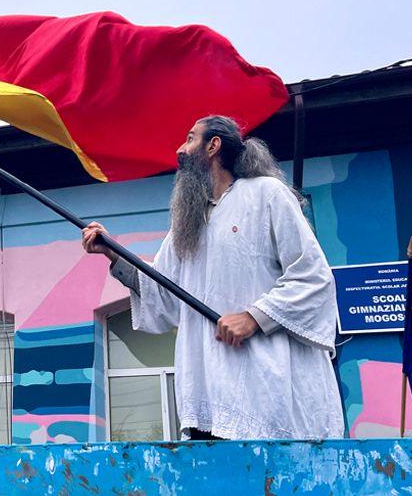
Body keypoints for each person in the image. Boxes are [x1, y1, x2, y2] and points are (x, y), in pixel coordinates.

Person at [82, 115, 344, 440]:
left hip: (266, 393)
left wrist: (254, 317)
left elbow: (314, 277)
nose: (180, 149)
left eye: (190, 139)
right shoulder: (187, 224)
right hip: (206, 396)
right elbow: (162, 291)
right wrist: (113, 253)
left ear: (213, 146)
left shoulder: (266, 194)